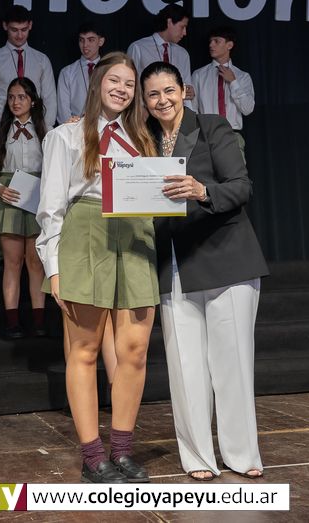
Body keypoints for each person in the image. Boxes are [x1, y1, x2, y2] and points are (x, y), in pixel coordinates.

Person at [141, 61, 268, 481]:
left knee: (232, 365)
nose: (162, 100)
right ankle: (197, 456)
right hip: (173, 265)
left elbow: (241, 186)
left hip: (225, 259)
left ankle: (242, 454)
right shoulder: (142, 139)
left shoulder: (213, 127)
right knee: (185, 369)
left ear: (184, 91)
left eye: (169, 90)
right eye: (153, 94)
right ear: (145, 101)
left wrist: (202, 190)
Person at [36, 51, 158, 484]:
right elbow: (50, 209)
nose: (122, 89)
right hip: (85, 232)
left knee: (134, 351)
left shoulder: (143, 138)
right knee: (84, 351)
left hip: (135, 234)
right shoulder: (65, 136)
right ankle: (93, 456)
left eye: (129, 83)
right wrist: (54, 268)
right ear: (97, 83)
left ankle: (121, 451)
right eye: (114, 80)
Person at [0, 78, 48, 339]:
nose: (15, 102)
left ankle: (39, 322)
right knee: (12, 261)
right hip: (8, 196)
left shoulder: (47, 130)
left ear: (33, 101)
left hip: (37, 196)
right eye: (11, 97)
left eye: (21, 97)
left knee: (35, 262)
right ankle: (12, 322)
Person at [0, 5, 57, 125]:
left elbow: (50, 99)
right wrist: (0, 124)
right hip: (4, 125)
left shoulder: (42, 60)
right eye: (14, 30)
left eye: (24, 30)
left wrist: (45, 128)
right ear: (5, 26)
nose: (20, 35)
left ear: (30, 25)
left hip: (36, 126)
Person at [192, 26, 255, 156]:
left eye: (216, 41)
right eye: (210, 41)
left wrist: (233, 82)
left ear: (229, 45)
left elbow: (248, 109)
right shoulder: (199, 75)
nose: (211, 45)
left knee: (235, 170)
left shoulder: (242, 76)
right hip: (205, 136)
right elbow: (192, 109)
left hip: (232, 136)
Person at [126, 3, 195, 104]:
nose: (185, 33)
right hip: (145, 109)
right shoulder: (138, 48)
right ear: (169, 22)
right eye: (182, 27)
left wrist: (189, 95)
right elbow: (129, 84)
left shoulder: (182, 53)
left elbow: (187, 92)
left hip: (175, 111)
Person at [56, 22, 106, 124]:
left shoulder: (110, 69)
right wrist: (72, 129)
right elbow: (63, 112)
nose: (85, 45)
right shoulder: (67, 72)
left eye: (91, 40)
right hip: (76, 128)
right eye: (81, 40)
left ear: (101, 41)